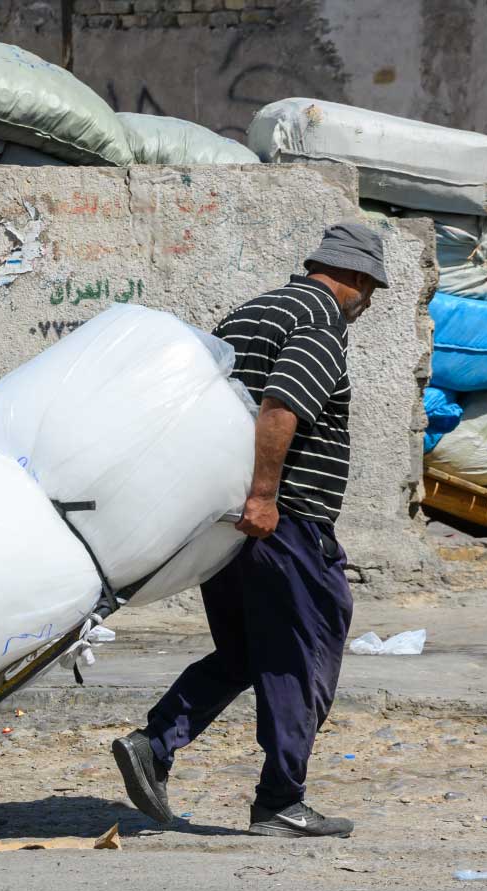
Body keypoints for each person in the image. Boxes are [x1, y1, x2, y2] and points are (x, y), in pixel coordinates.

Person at [112, 222, 385, 839]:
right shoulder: (319, 320)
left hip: (230, 524)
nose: (367, 304)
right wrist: (264, 496)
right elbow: (281, 407)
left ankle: (154, 745)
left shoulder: (250, 314)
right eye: (370, 290)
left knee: (243, 653)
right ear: (357, 277)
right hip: (284, 521)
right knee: (302, 656)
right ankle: (280, 800)